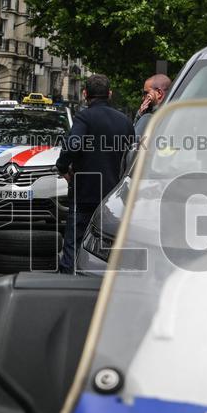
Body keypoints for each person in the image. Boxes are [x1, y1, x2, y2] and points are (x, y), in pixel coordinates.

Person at [56, 74, 136, 273]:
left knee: (74, 242)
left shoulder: (84, 117)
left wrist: (63, 168)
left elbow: (72, 145)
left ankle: (69, 280)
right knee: (109, 244)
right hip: (115, 195)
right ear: (110, 94)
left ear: (85, 94)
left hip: (85, 191)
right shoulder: (125, 122)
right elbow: (133, 156)